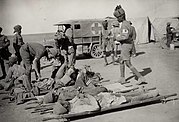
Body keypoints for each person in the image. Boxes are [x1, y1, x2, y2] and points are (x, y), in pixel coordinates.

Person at [113, 5, 146, 85]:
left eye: (118, 17)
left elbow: (125, 36)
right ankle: (122, 78)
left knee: (128, 63)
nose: (117, 19)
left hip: (126, 46)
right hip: (127, 44)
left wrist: (117, 38)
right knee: (121, 60)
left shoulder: (124, 25)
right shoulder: (128, 24)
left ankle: (141, 77)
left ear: (122, 16)